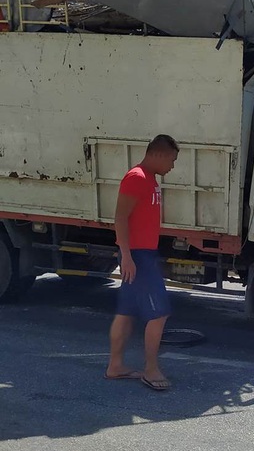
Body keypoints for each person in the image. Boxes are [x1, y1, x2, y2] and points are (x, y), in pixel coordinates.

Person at [106, 134, 179, 391]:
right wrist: (126, 256)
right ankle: (151, 370)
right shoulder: (136, 177)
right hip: (138, 256)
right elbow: (120, 218)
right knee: (159, 313)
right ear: (158, 154)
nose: (172, 166)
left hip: (142, 254)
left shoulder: (150, 179)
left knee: (126, 314)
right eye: (172, 159)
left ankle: (115, 366)